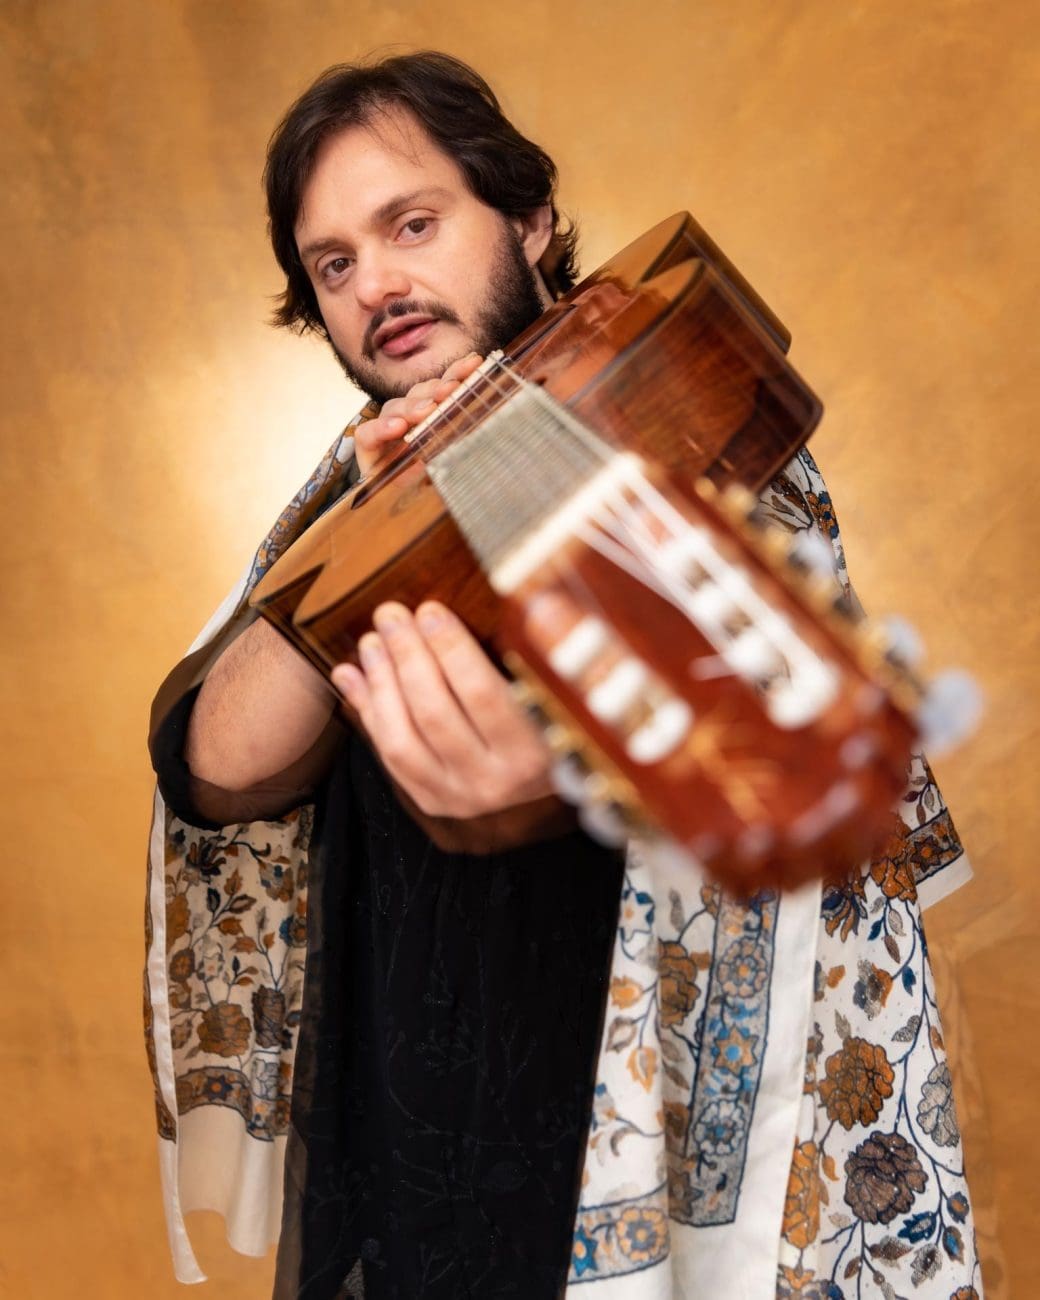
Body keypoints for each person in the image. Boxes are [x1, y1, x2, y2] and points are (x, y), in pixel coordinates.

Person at [145, 51, 983, 1300]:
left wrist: (556, 777)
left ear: (528, 219)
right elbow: (216, 769)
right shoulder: (350, 492)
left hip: (637, 1160)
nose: (377, 286)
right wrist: (372, 530)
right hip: (407, 1172)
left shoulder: (673, 397)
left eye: (411, 225)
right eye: (334, 264)